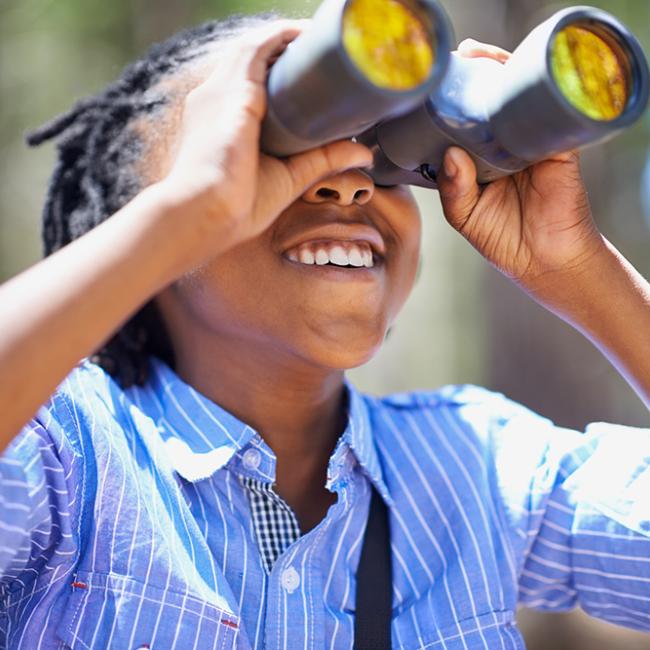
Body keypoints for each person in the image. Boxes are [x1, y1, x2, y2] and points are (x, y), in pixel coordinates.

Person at [0, 13, 648, 650]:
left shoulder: (478, 468)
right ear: (141, 216)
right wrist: (191, 209)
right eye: (268, 145)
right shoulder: (66, 462)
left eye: (383, 155)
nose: (345, 184)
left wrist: (581, 271)